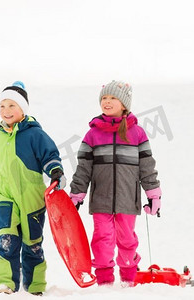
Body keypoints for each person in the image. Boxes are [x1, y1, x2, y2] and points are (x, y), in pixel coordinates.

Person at [0, 81, 65, 296]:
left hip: (32, 199)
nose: (6, 111)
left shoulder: (35, 135)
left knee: (32, 244)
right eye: (2, 106)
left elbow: (50, 157)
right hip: (6, 197)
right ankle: (5, 284)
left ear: (23, 109)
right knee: (7, 240)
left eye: (12, 106)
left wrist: (55, 172)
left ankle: (35, 287)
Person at [69, 80, 161, 286]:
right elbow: (83, 169)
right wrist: (76, 195)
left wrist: (153, 194)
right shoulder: (92, 134)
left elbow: (147, 166)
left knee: (127, 239)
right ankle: (105, 282)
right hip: (101, 198)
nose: (107, 102)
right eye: (104, 98)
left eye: (112, 98)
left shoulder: (137, 133)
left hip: (128, 198)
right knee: (102, 238)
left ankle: (128, 280)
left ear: (124, 104)